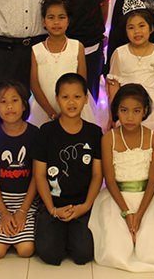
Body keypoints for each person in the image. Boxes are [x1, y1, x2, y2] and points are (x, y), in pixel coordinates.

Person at [89, 83, 154, 272]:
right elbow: (110, 180)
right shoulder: (108, 138)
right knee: (116, 251)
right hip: (116, 197)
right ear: (117, 110)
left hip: (147, 197)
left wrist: (139, 214)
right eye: (124, 110)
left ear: (145, 111)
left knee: (150, 250)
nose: (130, 117)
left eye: (136, 111)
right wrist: (126, 213)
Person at [32, 73, 103, 265]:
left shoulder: (94, 132)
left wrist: (85, 206)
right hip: (53, 204)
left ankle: (72, 231)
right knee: (50, 254)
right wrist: (52, 209)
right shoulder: (46, 132)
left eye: (77, 97)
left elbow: (97, 175)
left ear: (86, 99)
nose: (71, 102)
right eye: (65, 97)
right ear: (57, 99)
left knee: (83, 254)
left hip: (82, 204)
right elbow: (40, 175)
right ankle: (53, 226)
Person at [0, 81, 39, 258]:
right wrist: (4, 213)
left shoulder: (35, 134)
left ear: (24, 105)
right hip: (0, 201)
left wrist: (22, 211)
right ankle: (4, 229)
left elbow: (37, 177)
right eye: (3, 101)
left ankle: (18, 233)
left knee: (26, 250)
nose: (9, 106)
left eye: (15, 100)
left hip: (27, 200)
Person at [107, 0, 154, 134]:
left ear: (151, 28)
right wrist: (113, 115)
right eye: (131, 27)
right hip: (128, 106)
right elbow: (114, 86)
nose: (137, 31)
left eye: (142, 26)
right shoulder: (119, 53)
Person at [29, 0, 96, 127]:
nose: (56, 22)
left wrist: (68, 112)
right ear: (43, 21)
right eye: (51, 17)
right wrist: (51, 113)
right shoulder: (36, 50)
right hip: (43, 109)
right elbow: (34, 85)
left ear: (68, 21)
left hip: (74, 108)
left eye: (61, 17)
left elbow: (82, 82)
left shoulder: (77, 47)